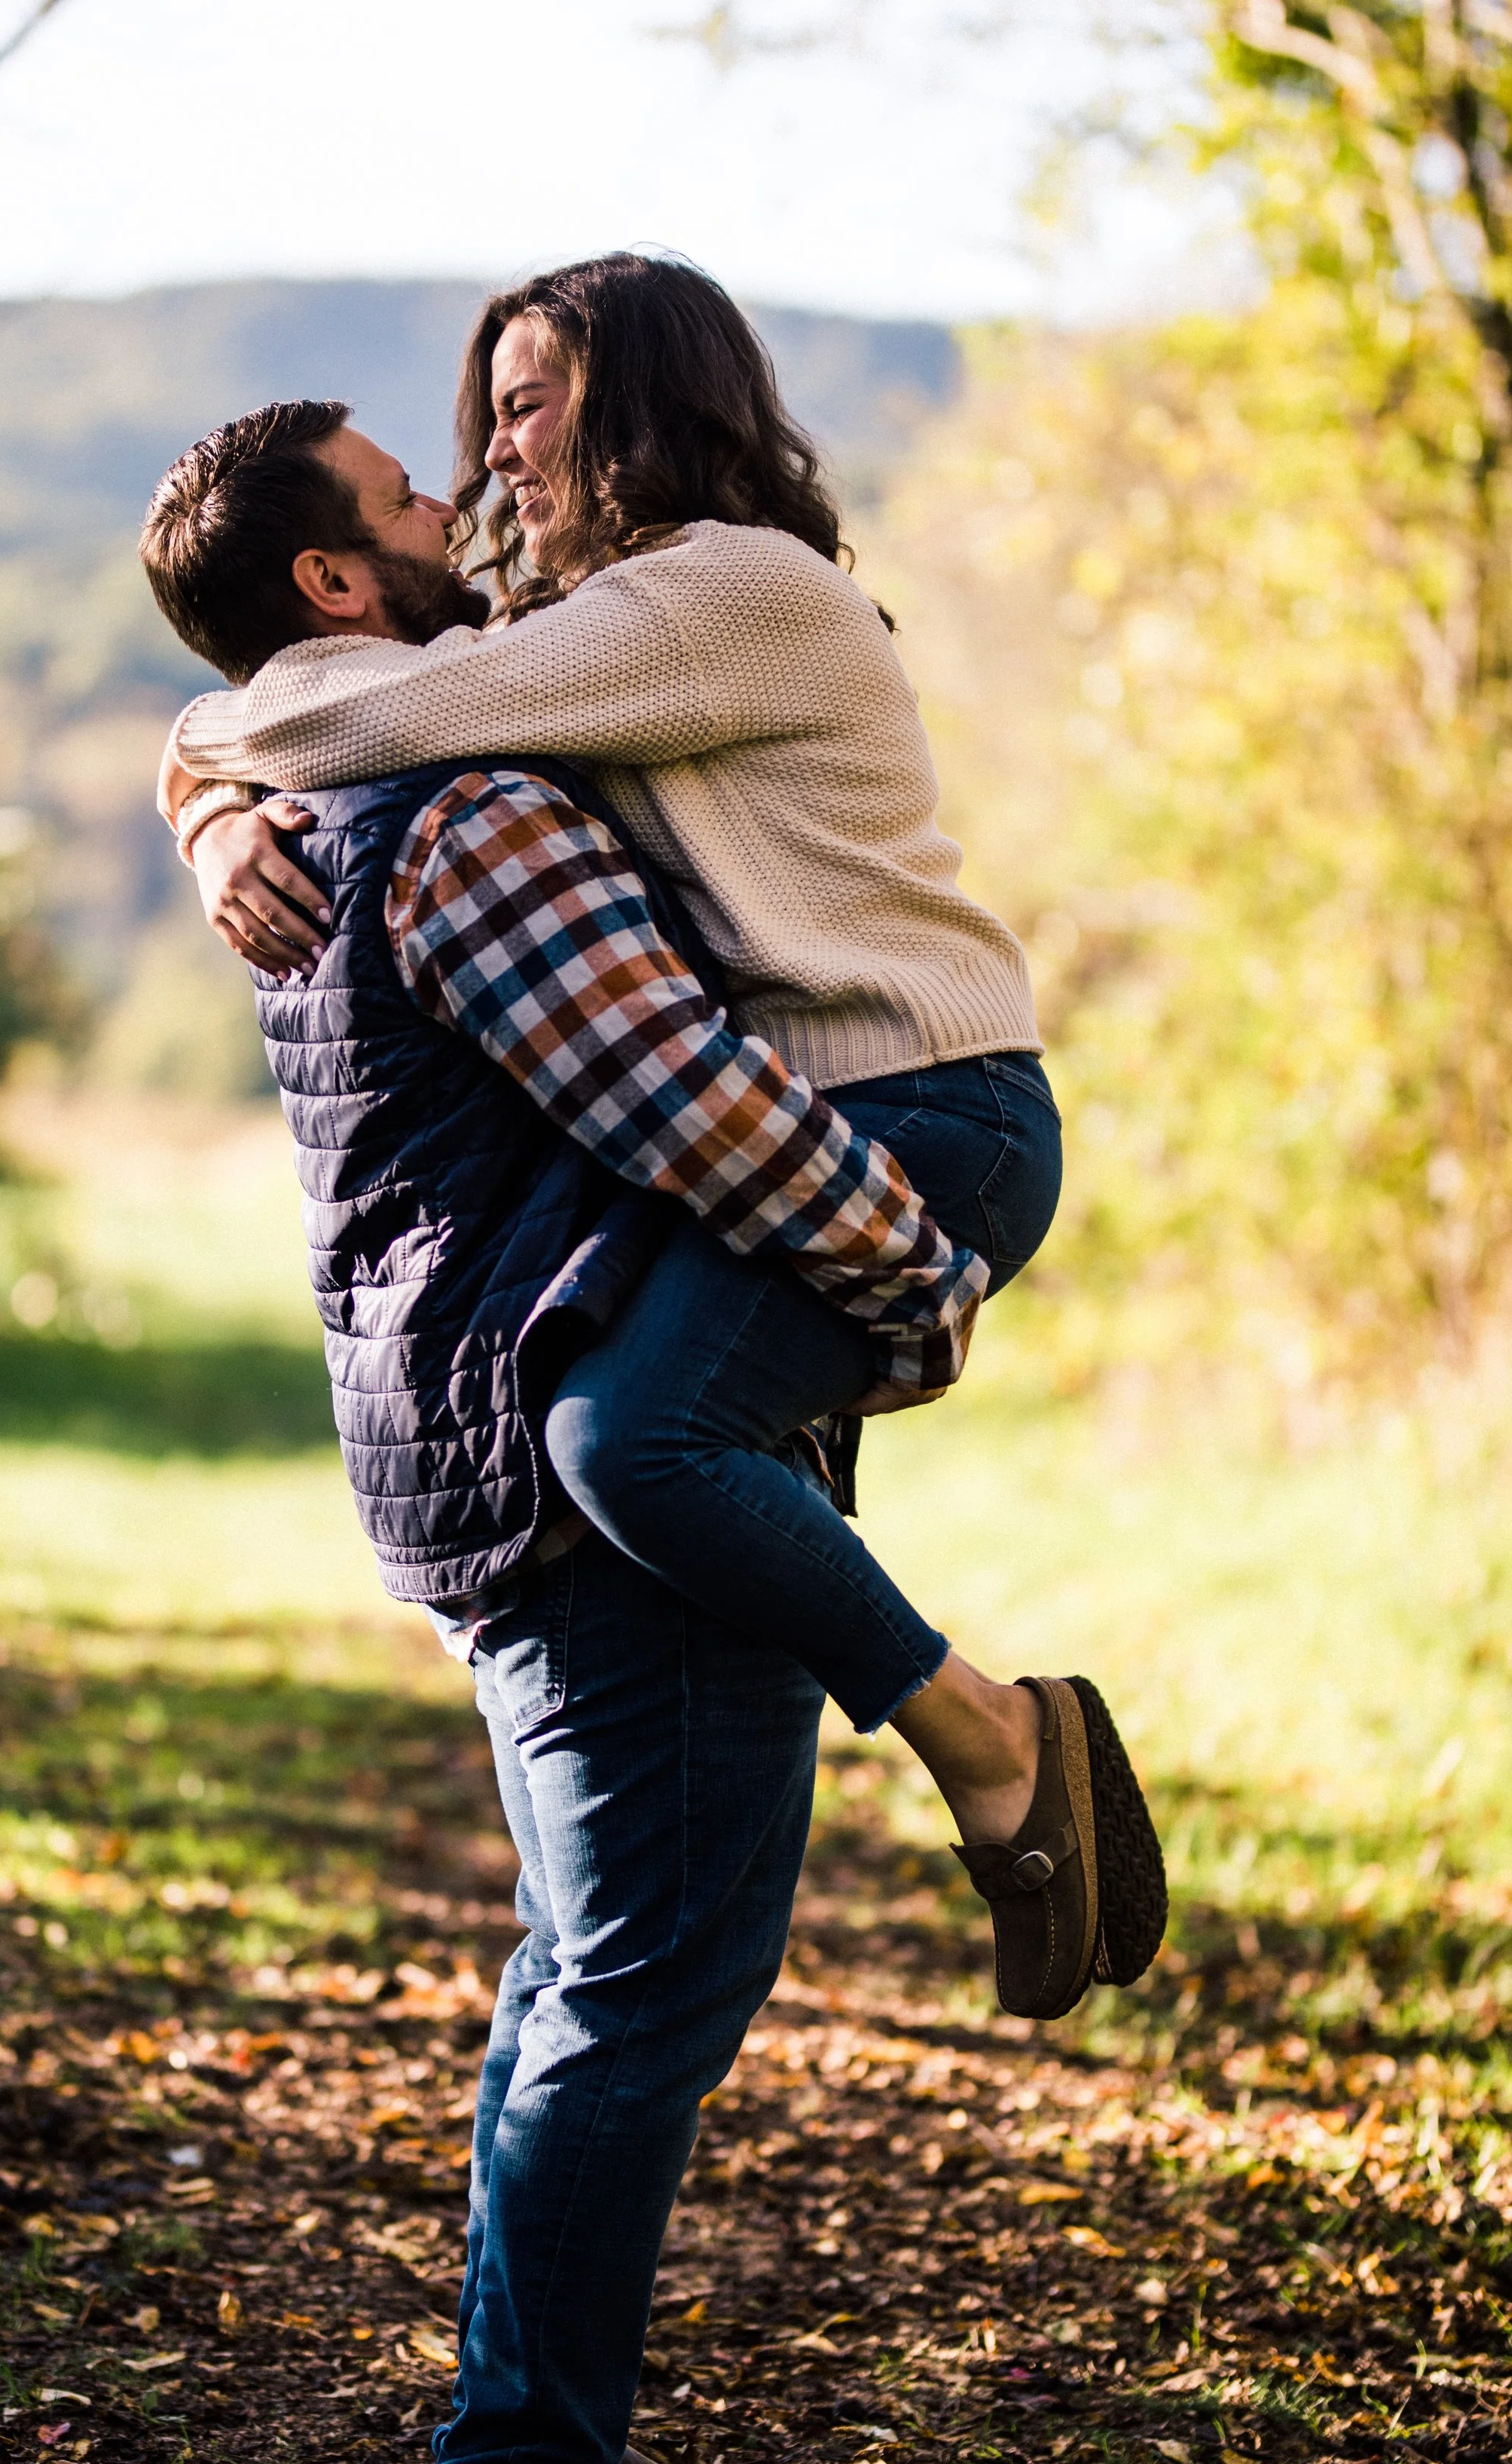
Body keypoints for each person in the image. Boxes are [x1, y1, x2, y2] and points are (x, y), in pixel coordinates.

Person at [157, 258, 1167, 2018]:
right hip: (814, 1104)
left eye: (526, 406)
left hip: (924, 1098)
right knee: (645, 1455)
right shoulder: (578, 622)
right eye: (479, 420)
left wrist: (205, 771)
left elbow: (356, 704)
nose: (487, 458)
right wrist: (203, 797)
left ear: (638, 405)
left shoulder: (721, 593)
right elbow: (313, 664)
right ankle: (997, 1752)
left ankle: (998, 1748)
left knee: (627, 1438)